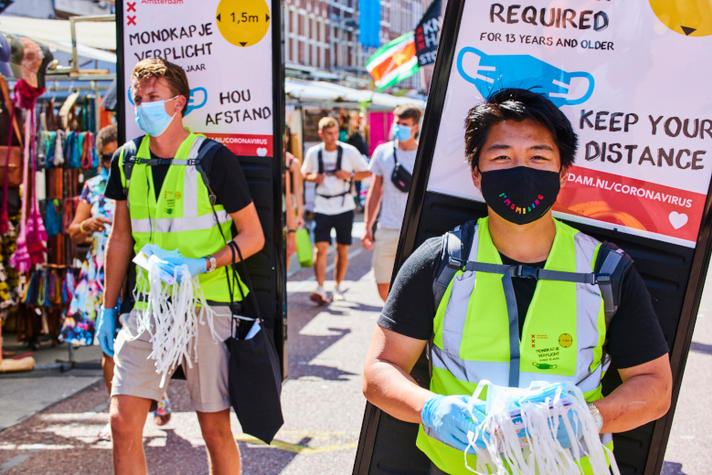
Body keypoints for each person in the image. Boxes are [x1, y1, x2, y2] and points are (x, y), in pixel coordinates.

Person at [362, 89, 672, 474]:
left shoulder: (605, 269)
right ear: (477, 173)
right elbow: (379, 370)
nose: (521, 169)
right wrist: (431, 408)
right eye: (502, 156)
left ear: (562, 172)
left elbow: (655, 387)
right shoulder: (441, 261)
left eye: (538, 156)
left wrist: (588, 419)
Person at [99, 58, 264, 474]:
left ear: (179, 103)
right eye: (138, 99)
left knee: (214, 428)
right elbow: (120, 239)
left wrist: (201, 263)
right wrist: (105, 308)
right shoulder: (125, 159)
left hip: (208, 305)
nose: (142, 108)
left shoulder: (212, 158)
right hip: (147, 307)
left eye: (152, 98)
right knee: (121, 423)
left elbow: (253, 237)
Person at [64, 125, 173, 441]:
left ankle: (159, 395)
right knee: (109, 346)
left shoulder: (139, 179)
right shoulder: (93, 187)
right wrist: (87, 223)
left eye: (116, 156)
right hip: (102, 269)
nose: (111, 162)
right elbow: (73, 230)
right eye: (105, 157)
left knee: (151, 337)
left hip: (138, 270)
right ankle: (118, 414)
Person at [301, 117, 369, 304]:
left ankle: (338, 286)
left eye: (335, 133)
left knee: (342, 248)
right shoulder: (314, 153)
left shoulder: (349, 151)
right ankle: (320, 287)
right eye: (329, 133)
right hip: (322, 206)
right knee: (320, 248)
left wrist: (351, 175)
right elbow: (304, 173)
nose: (333, 137)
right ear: (321, 134)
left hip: (344, 205)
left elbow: (367, 172)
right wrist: (314, 177)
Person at [361, 104, 421, 301]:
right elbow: (375, 190)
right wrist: (367, 225)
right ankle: (391, 316)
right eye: (397, 123)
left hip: (414, 229)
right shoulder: (383, 152)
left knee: (413, 281)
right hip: (387, 226)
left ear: (415, 128)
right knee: (382, 280)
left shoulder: (423, 153)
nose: (399, 127)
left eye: (404, 124)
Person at [284, 135, 304, 271]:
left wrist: (300, 215)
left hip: (289, 207)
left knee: (288, 250)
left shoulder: (292, 162)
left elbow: (297, 190)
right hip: (280, 205)